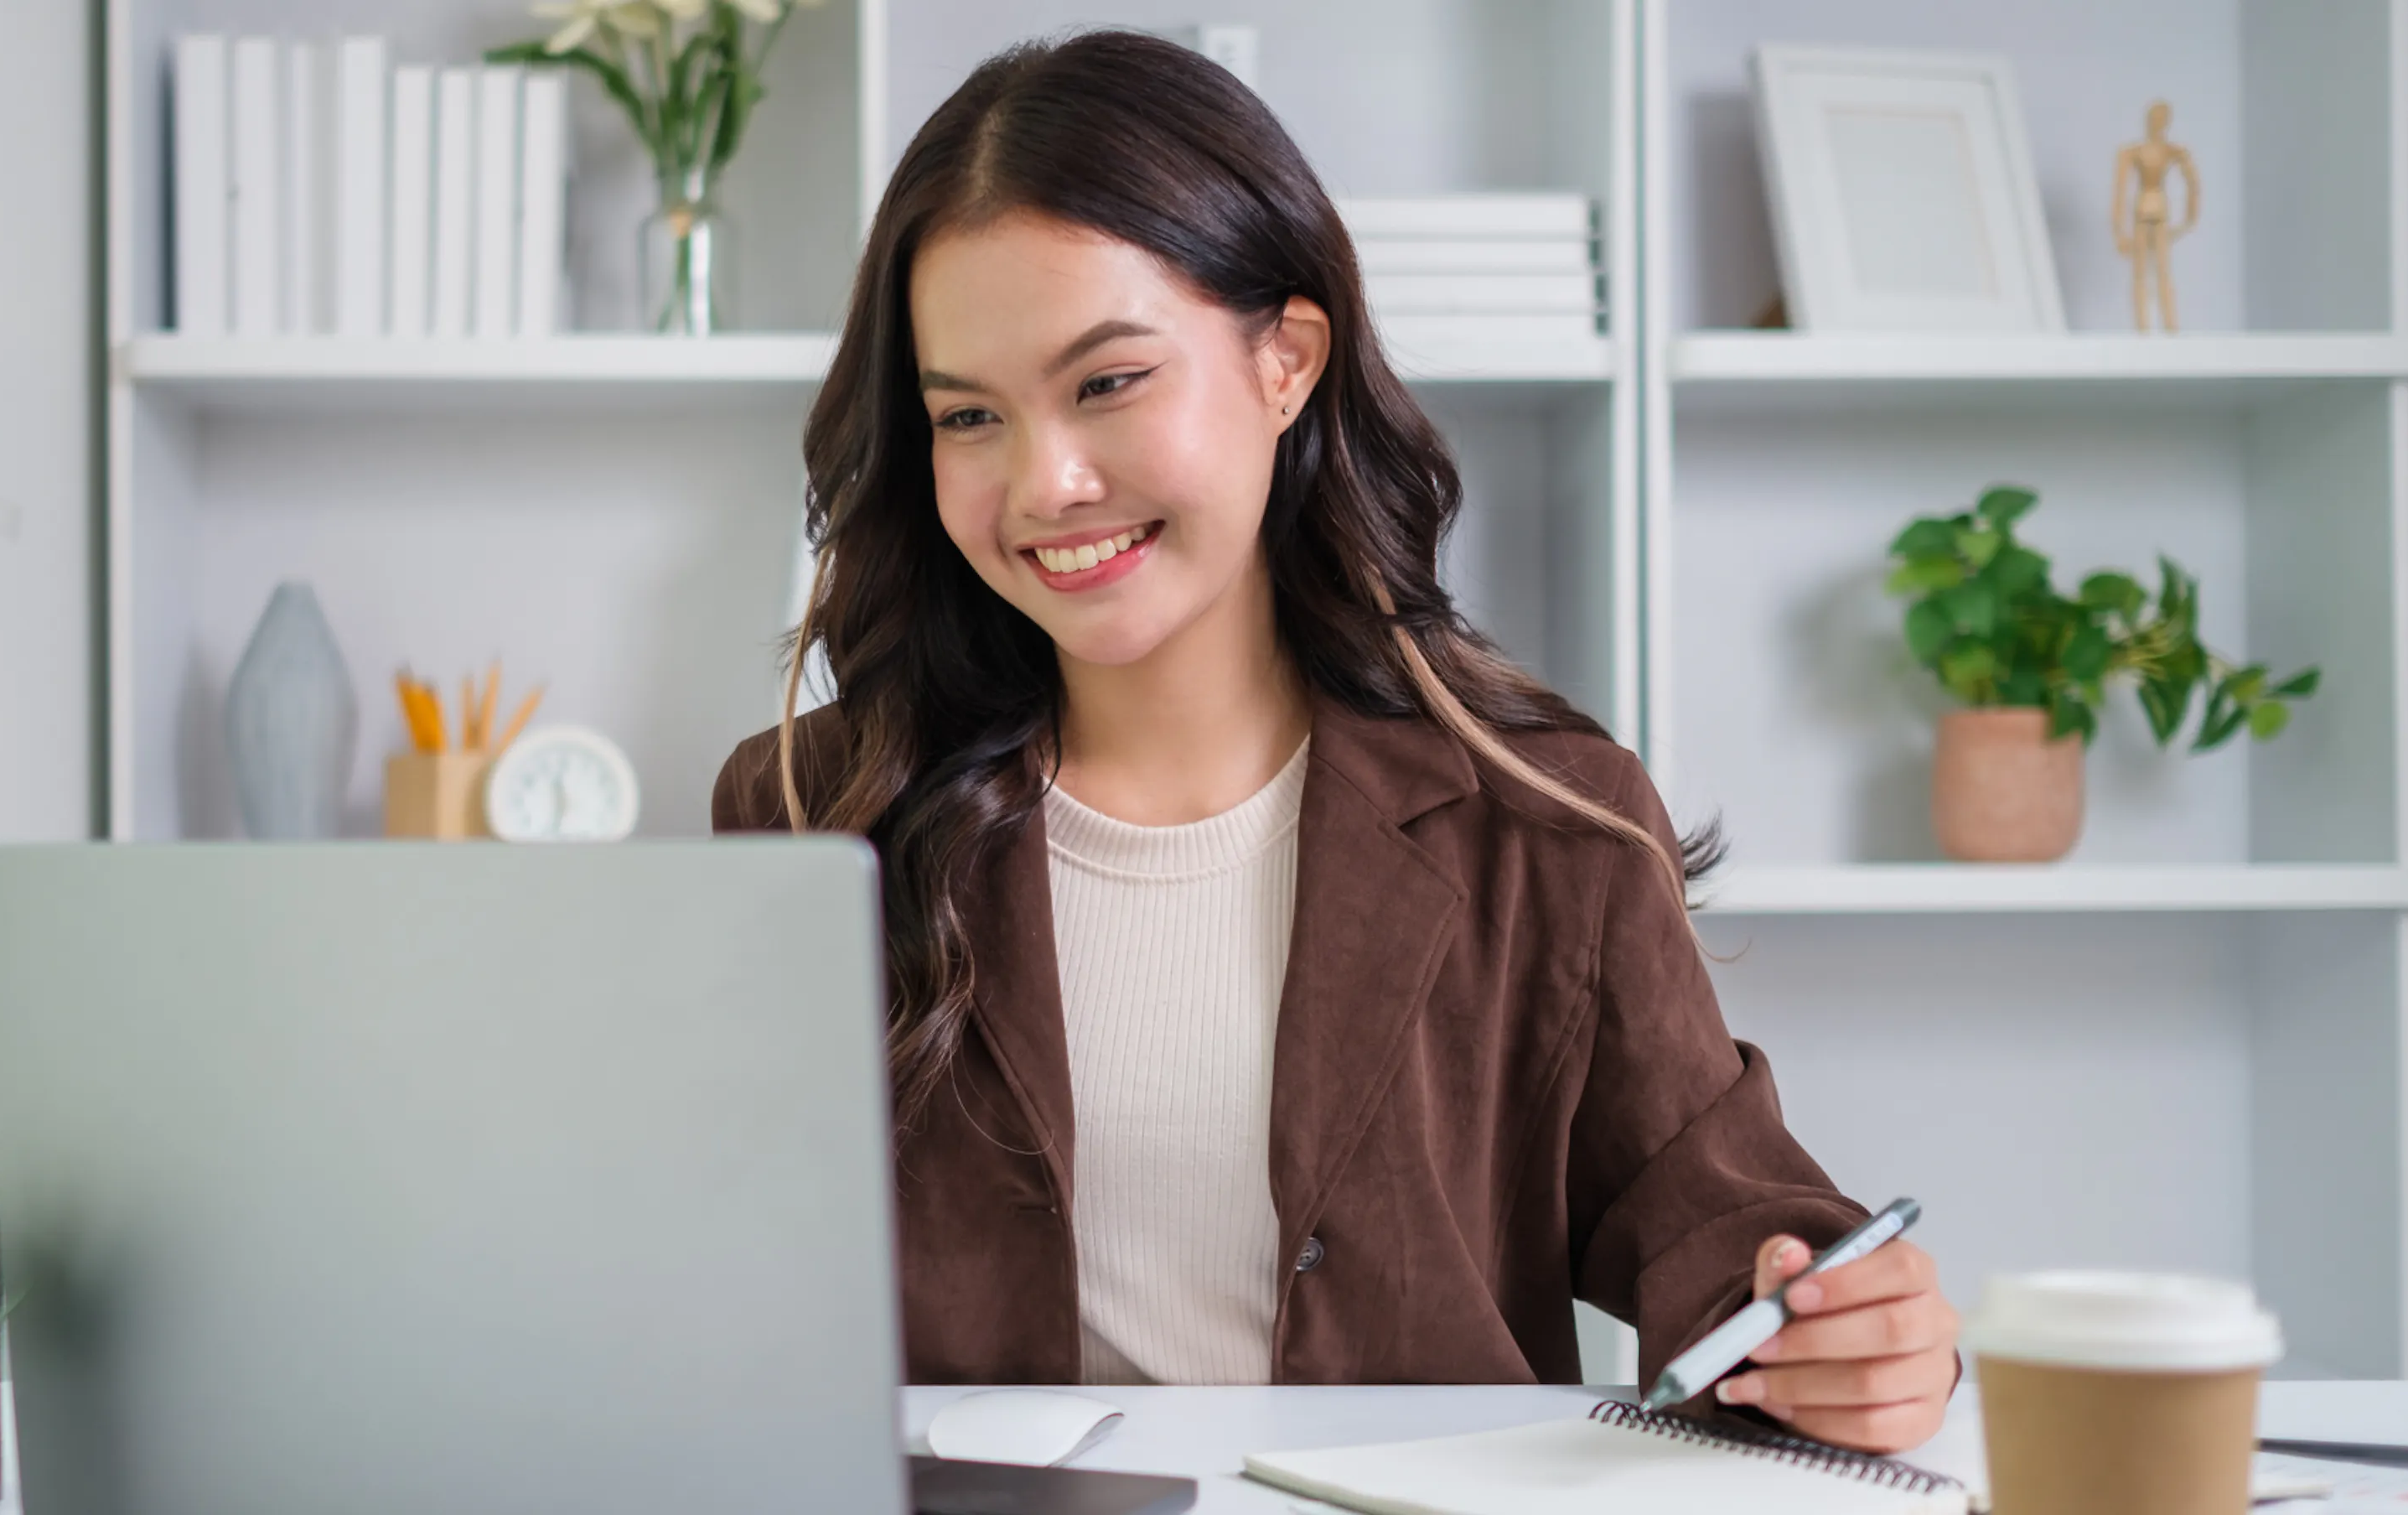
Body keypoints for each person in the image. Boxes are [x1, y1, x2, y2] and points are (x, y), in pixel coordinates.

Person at [711, 32, 1959, 1454]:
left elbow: (1726, 1225)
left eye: (1108, 382)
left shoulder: (1542, 817)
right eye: (969, 415)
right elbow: (716, 1261)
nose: (1044, 482)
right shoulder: (813, 812)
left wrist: (1841, 1330)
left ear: (1285, 361)